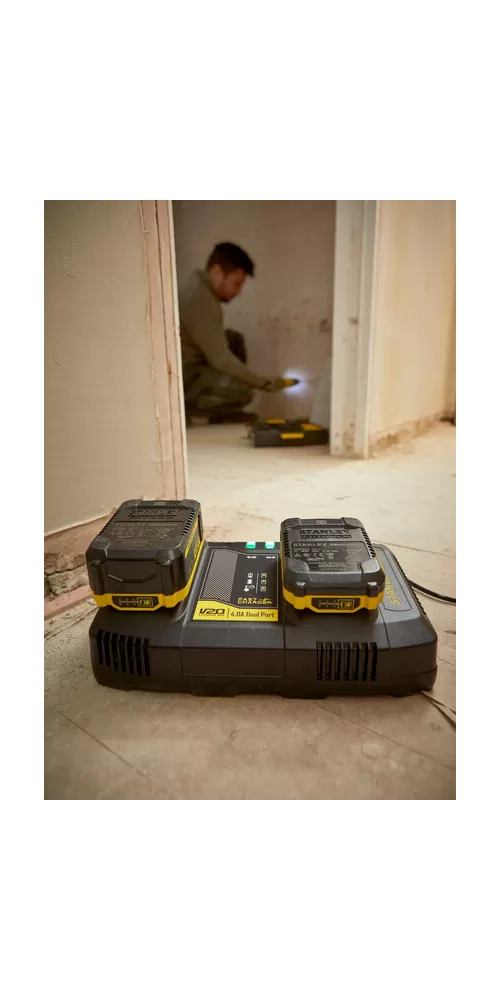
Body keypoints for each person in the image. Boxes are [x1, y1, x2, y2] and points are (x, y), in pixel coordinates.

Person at [178, 242, 289, 422]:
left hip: (190, 368)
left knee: (233, 340)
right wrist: (261, 382)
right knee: (243, 391)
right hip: (182, 375)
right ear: (217, 272)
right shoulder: (199, 298)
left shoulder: (200, 291)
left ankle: (219, 411)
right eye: (236, 284)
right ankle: (183, 408)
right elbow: (220, 359)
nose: (238, 292)